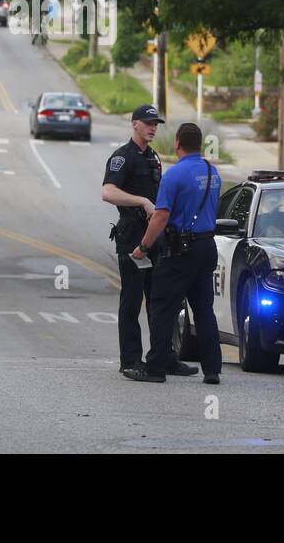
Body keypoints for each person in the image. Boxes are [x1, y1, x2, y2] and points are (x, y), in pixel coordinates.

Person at [101, 105, 197, 377]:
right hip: (132, 237)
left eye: (156, 123)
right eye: (148, 123)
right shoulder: (122, 157)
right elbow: (107, 192)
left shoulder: (153, 157)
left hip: (155, 237)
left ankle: (163, 357)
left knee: (161, 301)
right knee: (132, 301)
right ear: (134, 124)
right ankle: (130, 360)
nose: (153, 128)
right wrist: (142, 201)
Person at [124, 122, 222, 384]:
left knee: (162, 307)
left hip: (181, 250)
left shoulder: (175, 175)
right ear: (199, 144)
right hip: (207, 246)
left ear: (177, 143)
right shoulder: (214, 173)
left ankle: (155, 368)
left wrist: (143, 246)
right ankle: (212, 370)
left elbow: (162, 215)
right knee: (203, 310)